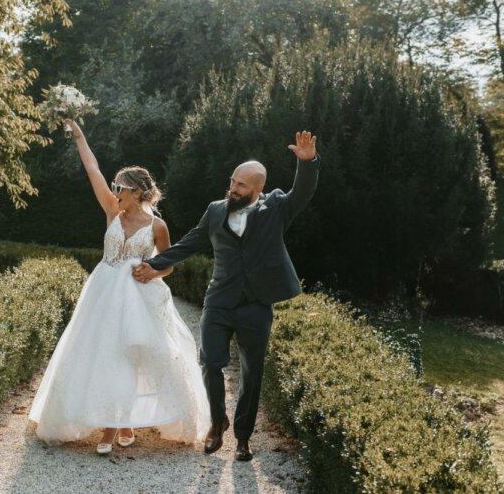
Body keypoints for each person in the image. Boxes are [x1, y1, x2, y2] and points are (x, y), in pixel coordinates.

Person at [132, 131, 319, 461]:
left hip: (256, 305)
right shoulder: (216, 210)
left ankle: (244, 437)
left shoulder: (276, 207)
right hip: (218, 301)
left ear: (258, 189)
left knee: (252, 373)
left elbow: (302, 192)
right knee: (210, 362)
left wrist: (308, 163)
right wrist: (154, 264)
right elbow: (190, 242)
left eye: (241, 185)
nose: (232, 188)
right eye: (232, 181)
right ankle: (217, 423)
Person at [29, 120, 209, 454]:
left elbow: (168, 264)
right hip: (103, 292)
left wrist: (152, 273)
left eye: (121, 188)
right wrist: (80, 136)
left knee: (132, 356)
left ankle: (122, 422)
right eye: (114, 187)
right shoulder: (112, 212)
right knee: (102, 353)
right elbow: (92, 169)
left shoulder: (157, 226)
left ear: (137, 192)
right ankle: (116, 422)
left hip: (139, 297)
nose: (115, 192)